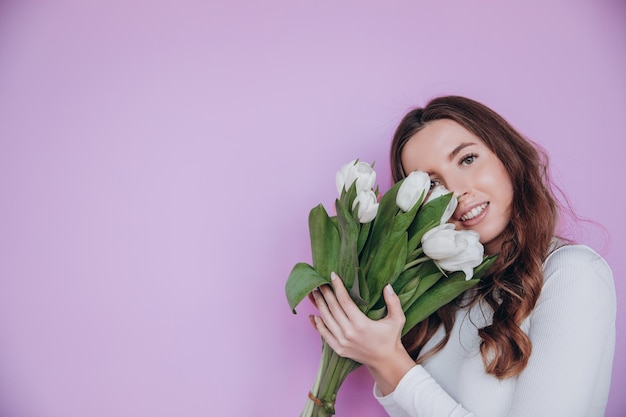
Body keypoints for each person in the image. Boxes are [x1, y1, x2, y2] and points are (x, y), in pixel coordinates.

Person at [310, 95, 616, 417]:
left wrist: (388, 359)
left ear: (506, 155)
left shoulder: (571, 273)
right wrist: (371, 344)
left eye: (467, 159)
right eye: (432, 184)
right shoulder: (446, 298)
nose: (455, 192)